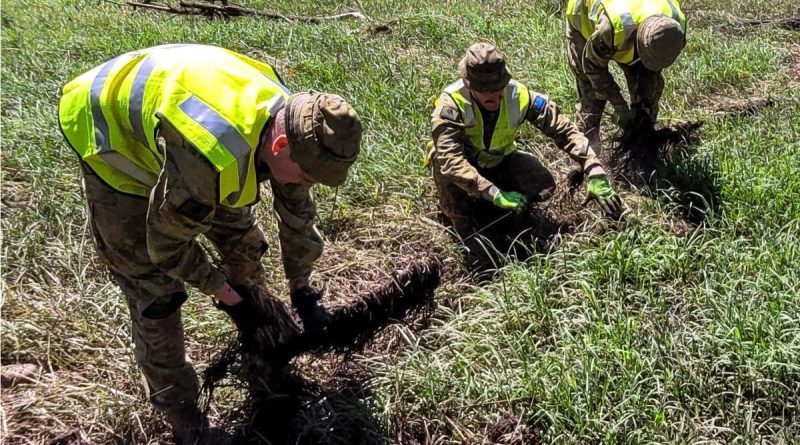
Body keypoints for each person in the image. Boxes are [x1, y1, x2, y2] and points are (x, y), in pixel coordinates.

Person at [57, 43, 361, 444]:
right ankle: (183, 416)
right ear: (280, 146)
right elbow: (165, 245)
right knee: (156, 291)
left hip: (187, 129)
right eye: (306, 175)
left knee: (245, 244)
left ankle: (264, 354)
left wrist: (301, 291)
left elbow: (296, 213)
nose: (306, 184)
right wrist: (229, 298)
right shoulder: (212, 159)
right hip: (110, 134)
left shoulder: (295, 123)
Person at [429, 42, 622, 267]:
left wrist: (593, 166)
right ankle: (464, 222)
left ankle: (505, 213)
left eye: (497, 87)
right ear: (467, 84)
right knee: (447, 177)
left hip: (499, 160)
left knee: (543, 185)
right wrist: (492, 193)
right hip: (465, 169)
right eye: (483, 90)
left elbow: (564, 129)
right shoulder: (450, 104)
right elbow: (451, 161)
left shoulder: (519, 95)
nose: (492, 95)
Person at [565, 0, 687, 150]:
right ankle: (587, 155)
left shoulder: (676, 27)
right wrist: (618, 103)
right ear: (637, 38)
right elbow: (592, 66)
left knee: (647, 93)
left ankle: (643, 147)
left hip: (630, 32)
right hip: (583, 19)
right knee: (592, 99)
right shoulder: (612, 27)